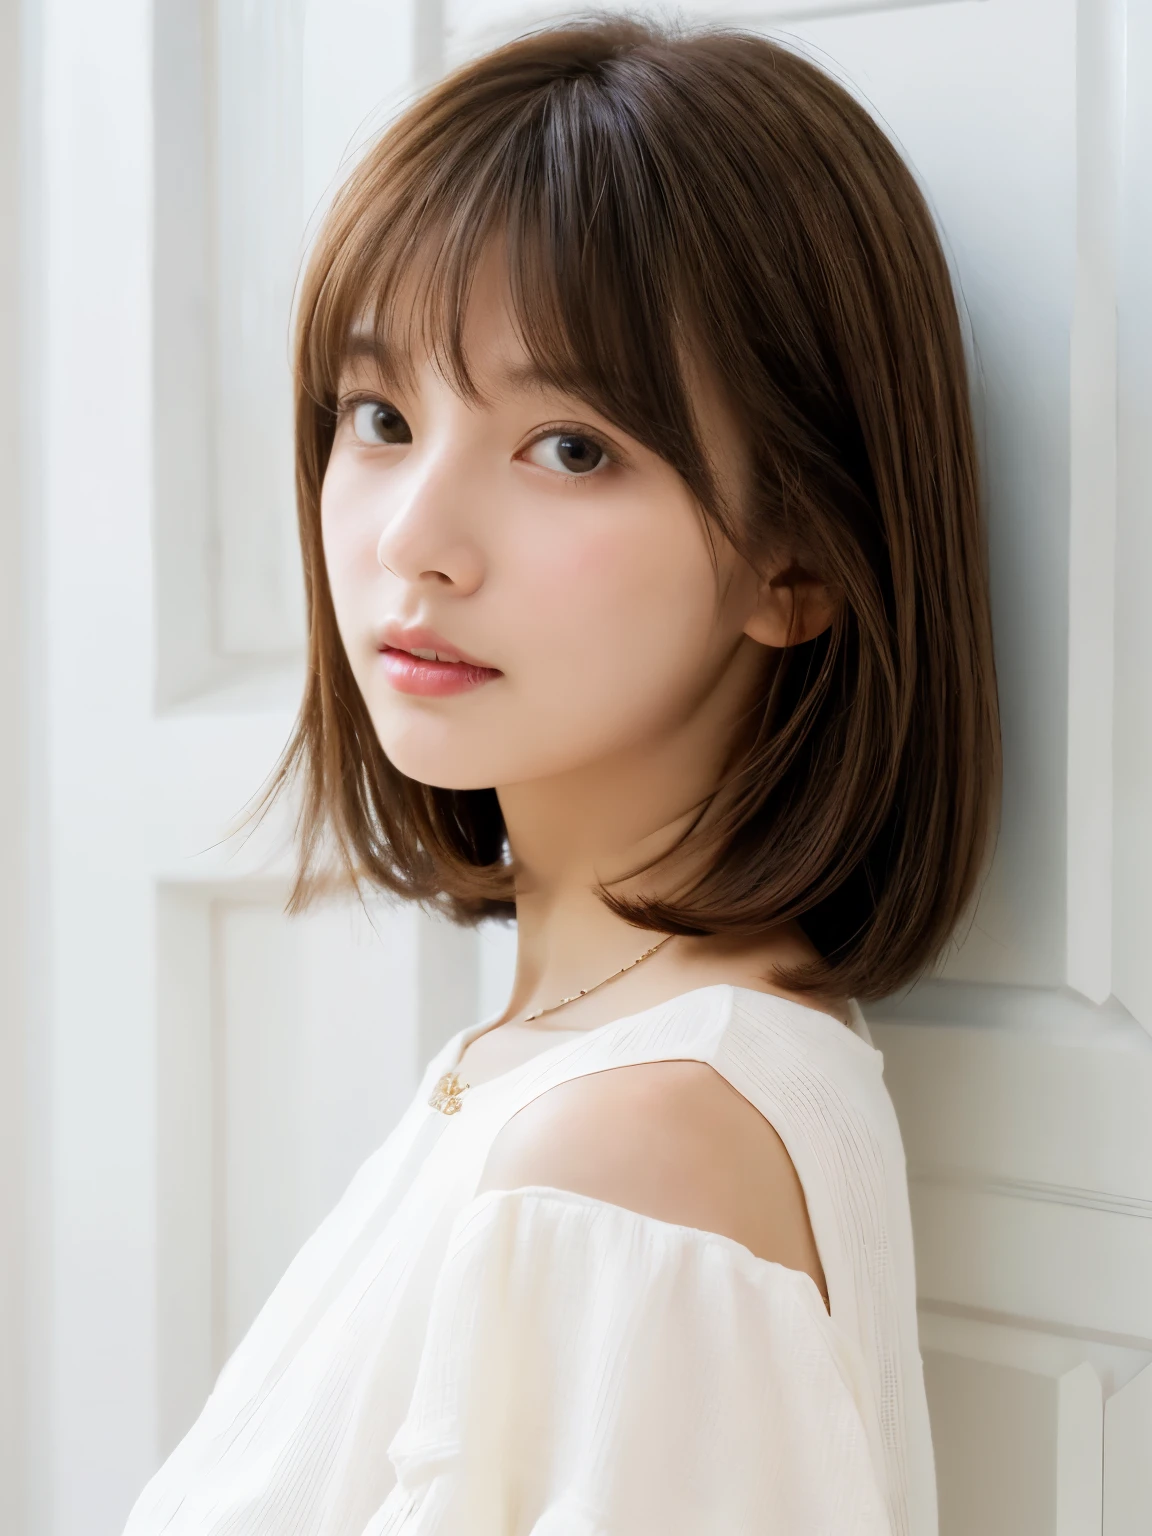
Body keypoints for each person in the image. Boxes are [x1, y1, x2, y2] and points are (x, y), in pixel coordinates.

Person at [124, 16, 999, 1536]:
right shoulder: (564, 1078)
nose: (413, 537)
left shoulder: (633, 1157)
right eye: (382, 418)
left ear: (795, 560)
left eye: (570, 447)